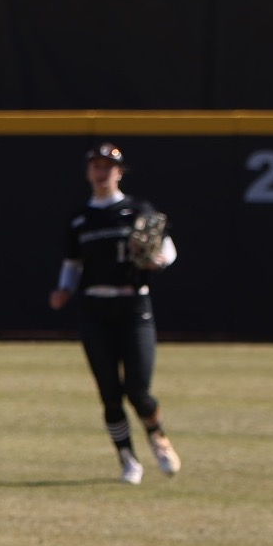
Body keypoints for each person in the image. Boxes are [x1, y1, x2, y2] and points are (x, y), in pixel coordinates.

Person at [48, 142, 182, 485]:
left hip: (134, 305)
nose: (102, 171)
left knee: (138, 390)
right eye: (96, 165)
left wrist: (160, 261)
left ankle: (158, 436)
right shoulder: (80, 219)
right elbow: (72, 263)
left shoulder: (137, 209)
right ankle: (127, 459)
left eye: (108, 165)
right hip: (95, 306)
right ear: (88, 172)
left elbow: (165, 245)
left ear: (119, 172)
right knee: (109, 391)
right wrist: (64, 289)